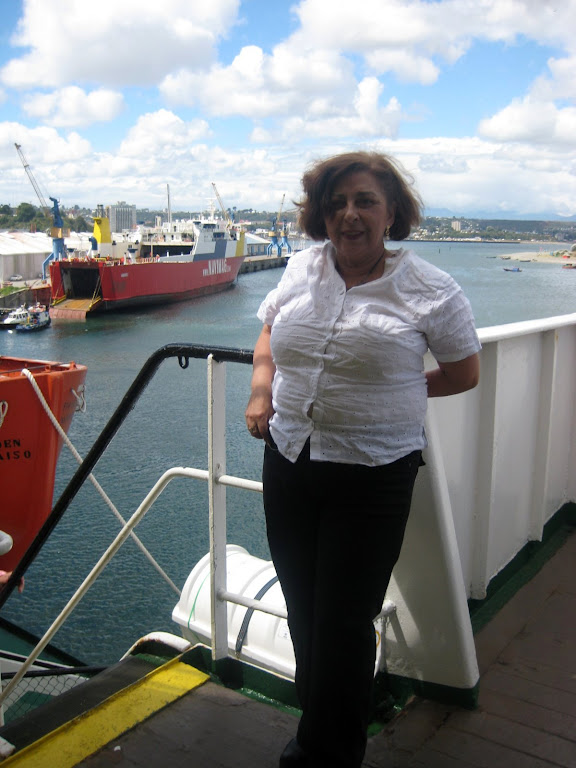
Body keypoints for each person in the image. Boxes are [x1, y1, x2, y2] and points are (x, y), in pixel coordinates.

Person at [245, 151, 480, 768]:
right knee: (303, 608)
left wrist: (397, 392)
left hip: (372, 472)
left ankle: (329, 752)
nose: (349, 215)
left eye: (365, 202)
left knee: (344, 622)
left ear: (392, 213)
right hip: (291, 457)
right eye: (336, 203)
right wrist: (261, 393)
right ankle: (317, 731)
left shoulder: (429, 288)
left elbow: (463, 372)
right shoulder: (302, 267)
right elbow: (269, 329)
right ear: (322, 214)